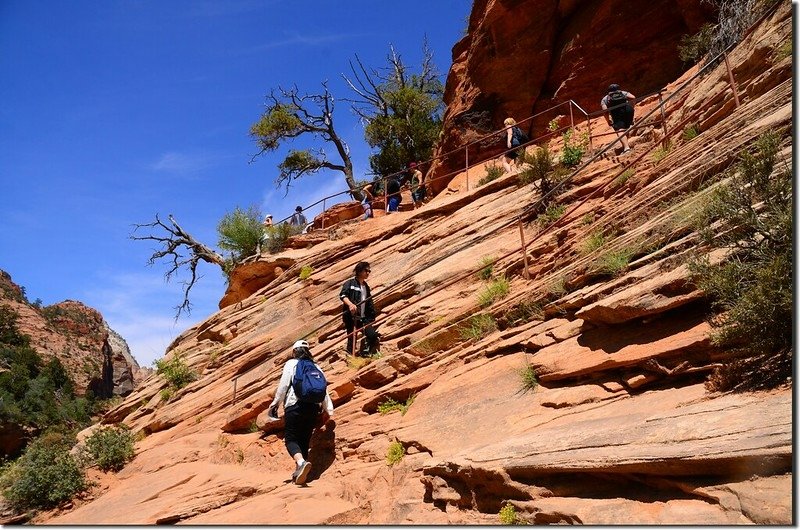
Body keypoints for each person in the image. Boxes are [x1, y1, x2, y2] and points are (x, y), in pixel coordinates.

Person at [267, 340, 334, 486]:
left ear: (294, 351)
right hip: (312, 408)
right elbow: (324, 389)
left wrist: (275, 404)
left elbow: (284, 385)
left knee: (291, 439)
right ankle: (300, 473)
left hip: (294, 404)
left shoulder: (291, 364)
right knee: (304, 440)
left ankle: (301, 462)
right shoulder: (316, 366)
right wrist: (328, 409)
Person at [339, 261, 379, 356]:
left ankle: (367, 354)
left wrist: (371, 315)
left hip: (364, 317)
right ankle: (350, 358)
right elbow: (343, 295)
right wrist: (350, 304)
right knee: (352, 338)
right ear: (360, 270)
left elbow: (369, 301)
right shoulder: (350, 283)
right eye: (366, 270)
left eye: (369, 271)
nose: (368, 273)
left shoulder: (366, 286)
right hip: (352, 317)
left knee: (372, 335)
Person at [601, 83, 636, 153]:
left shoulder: (605, 98)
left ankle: (626, 148)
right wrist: (632, 107)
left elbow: (605, 111)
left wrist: (608, 120)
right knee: (626, 127)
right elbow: (633, 97)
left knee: (619, 130)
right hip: (628, 109)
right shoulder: (623, 92)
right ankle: (626, 145)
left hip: (616, 112)